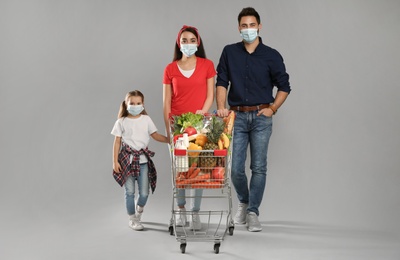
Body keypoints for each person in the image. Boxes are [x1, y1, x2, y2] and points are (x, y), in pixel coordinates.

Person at [216, 7, 291, 232]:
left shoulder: (272, 55)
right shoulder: (229, 52)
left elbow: (284, 86)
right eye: (244, 25)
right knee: (235, 169)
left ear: (259, 26)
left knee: (258, 167)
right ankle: (244, 200)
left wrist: (273, 108)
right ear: (238, 28)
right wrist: (221, 107)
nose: (248, 29)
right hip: (236, 116)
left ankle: (253, 212)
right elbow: (222, 82)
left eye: (252, 25)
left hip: (261, 117)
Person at [163, 25, 216, 230]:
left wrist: (201, 113)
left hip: (199, 125)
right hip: (177, 126)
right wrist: (169, 128)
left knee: (198, 170)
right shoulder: (170, 68)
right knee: (181, 170)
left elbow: (210, 95)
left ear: (198, 42)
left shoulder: (207, 65)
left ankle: (195, 213)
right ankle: (181, 210)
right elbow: (167, 101)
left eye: (192, 40)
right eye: (184, 40)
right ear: (179, 43)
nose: (188, 44)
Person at [111, 90, 169, 231]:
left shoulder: (146, 120)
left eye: (138, 103)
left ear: (143, 104)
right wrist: (115, 161)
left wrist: (169, 140)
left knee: (144, 193)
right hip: (127, 161)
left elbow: (155, 135)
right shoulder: (121, 122)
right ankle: (132, 219)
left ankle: (139, 211)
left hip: (143, 161)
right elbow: (117, 142)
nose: (135, 106)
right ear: (126, 104)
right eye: (132, 103)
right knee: (129, 192)